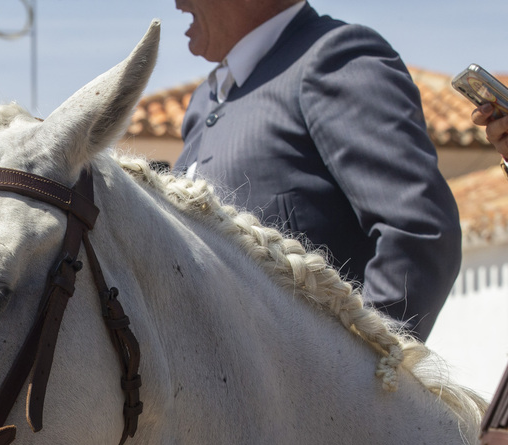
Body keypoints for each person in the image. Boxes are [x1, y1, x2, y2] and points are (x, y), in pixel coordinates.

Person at [174, 0, 461, 340]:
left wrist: (367, 369)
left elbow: (418, 231)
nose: (177, 3)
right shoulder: (204, 101)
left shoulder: (336, 58)